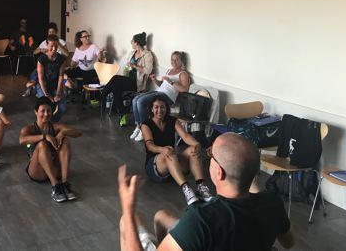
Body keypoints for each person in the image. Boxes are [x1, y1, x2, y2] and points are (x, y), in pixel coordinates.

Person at [117, 133, 295, 251]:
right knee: (161, 216)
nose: (208, 157)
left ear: (219, 172)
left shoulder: (203, 219)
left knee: (127, 220)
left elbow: (204, 225)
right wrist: (251, 182)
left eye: (211, 156)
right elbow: (289, 243)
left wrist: (127, 206)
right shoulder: (272, 202)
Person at [141, 97, 212, 205]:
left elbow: (185, 136)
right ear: (152, 109)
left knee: (192, 150)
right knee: (169, 152)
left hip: (173, 162)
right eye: (156, 107)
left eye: (162, 107)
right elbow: (149, 145)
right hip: (155, 166)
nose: (159, 110)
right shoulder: (146, 124)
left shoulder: (172, 120)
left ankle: (201, 186)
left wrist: (196, 144)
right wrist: (162, 149)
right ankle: (186, 189)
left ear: (166, 108)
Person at [19, 99, 82, 203]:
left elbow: (78, 132)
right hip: (38, 172)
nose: (46, 114)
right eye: (42, 111)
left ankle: (65, 183)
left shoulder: (55, 127)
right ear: (36, 112)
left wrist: (63, 132)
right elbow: (22, 140)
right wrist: (44, 136)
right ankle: (55, 186)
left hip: (56, 169)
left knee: (65, 140)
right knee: (42, 144)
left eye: (48, 111)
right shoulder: (29, 129)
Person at [130, 51, 190, 142]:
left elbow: (185, 89)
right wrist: (155, 80)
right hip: (159, 92)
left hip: (168, 96)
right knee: (135, 100)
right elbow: (161, 84)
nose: (174, 62)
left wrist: (171, 82)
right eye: (172, 59)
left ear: (181, 61)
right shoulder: (169, 71)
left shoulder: (183, 73)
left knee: (141, 102)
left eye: (177, 60)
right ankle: (138, 126)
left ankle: (145, 130)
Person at [100, 32, 153, 124]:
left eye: (132, 41)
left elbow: (148, 70)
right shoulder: (132, 53)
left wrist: (135, 66)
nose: (131, 42)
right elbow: (127, 67)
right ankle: (122, 112)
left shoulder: (147, 54)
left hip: (138, 83)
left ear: (136, 43)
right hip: (128, 79)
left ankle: (102, 97)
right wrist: (127, 69)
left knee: (115, 79)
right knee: (116, 86)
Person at [23, 36, 67, 121]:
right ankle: (42, 122)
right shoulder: (41, 59)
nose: (54, 48)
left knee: (62, 108)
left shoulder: (61, 59)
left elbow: (61, 76)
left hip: (55, 85)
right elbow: (41, 78)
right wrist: (46, 94)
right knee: (44, 106)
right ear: (47, 45)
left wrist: (58, 93)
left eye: (56, 46)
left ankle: (52, 122)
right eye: (51, 46)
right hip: (43, 85)